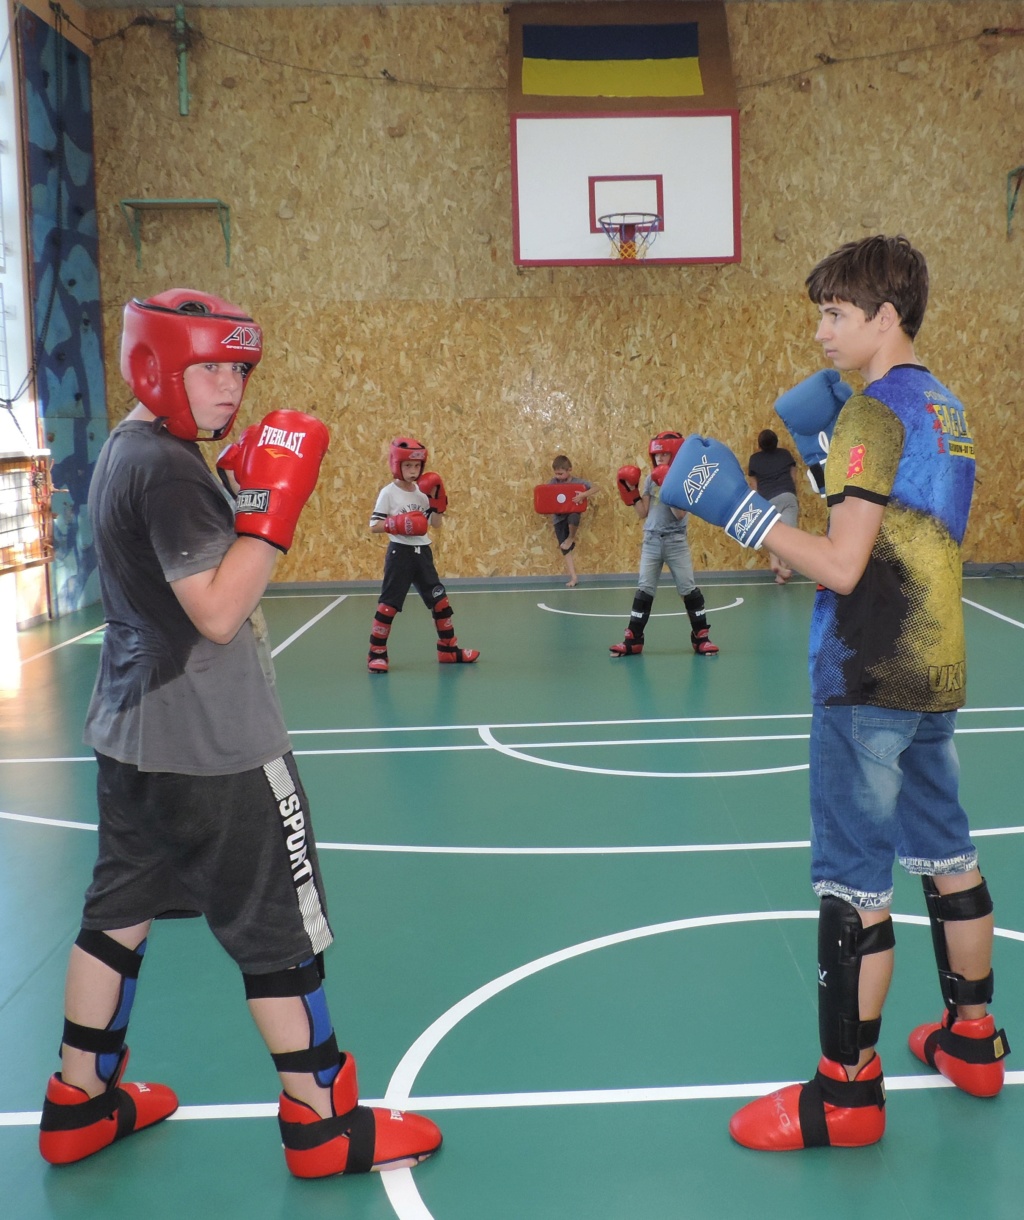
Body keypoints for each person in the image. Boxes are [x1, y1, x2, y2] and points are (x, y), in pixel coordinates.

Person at [38, 290, 442, 1179]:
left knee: (116, 918)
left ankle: (79, 1102)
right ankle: (322, 1121)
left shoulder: (127, 447)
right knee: (280, 936)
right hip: (217, 746)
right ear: (157, 366)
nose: (230, 388)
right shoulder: (174, 469)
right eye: (209, 367)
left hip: (129, 734)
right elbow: (218, 610)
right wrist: (270, 516)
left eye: (238, 370)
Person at [660, 235, 1009, 1150]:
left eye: (835, 314)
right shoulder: (947, 406)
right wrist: (824, 459)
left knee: (853, 881)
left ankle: (844, 1098)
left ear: (883, 317)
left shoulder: (869, 414)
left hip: (864, 671)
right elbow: (903, 516)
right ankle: (975, 1040)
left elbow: (845, 564)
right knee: (947, 851)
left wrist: (743, 512)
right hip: (935, 663)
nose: (820, 332)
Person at [367, 437, 479, 673]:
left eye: (417, 466)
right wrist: (398, 524)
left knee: (440, 602)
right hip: (400, 553)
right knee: (389, 605)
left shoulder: (421, 493)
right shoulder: (388, 493)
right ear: (397, 465)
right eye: (408, 466)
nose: (413, 470)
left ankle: (448, 650)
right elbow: (374, 525)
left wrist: (439, 503)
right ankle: (376, 653)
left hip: (422, 552)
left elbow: (435, 524)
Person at [610, 431, 718, 657]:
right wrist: (630, 493)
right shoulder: (651, 478)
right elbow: (643, 513)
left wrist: (668, 485)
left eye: (664, 454)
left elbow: (679, 514)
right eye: (656, 455)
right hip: (651, 539)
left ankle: (701, 637)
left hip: (675, 540)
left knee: (688, 588)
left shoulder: (686, 479)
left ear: (675, 453)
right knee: (644, 589)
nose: (659, 459)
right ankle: (634, 639)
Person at [747, 428, 798, 583]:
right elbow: (793, 475)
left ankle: (777, 568)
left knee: (774, 535)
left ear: (760, 444)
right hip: (788, 496)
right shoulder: (785, 454)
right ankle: (782, 573)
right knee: (787, 537)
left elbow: (754, 486)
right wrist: (792, 491)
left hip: (767, 499)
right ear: (776, 442)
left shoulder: (754, 459)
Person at [547, 454, 594, 587]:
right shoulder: (553, 482)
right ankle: (574, 578)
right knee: (565, 549)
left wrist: (584, 494)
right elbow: (547, 495)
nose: (558, 476)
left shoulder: (578, 482)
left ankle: (571, 537)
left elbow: (596, 488)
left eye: (561, 474)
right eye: (556, 474)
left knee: (574, 515)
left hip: (571, 513)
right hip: (559, 518)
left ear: (569, 470)